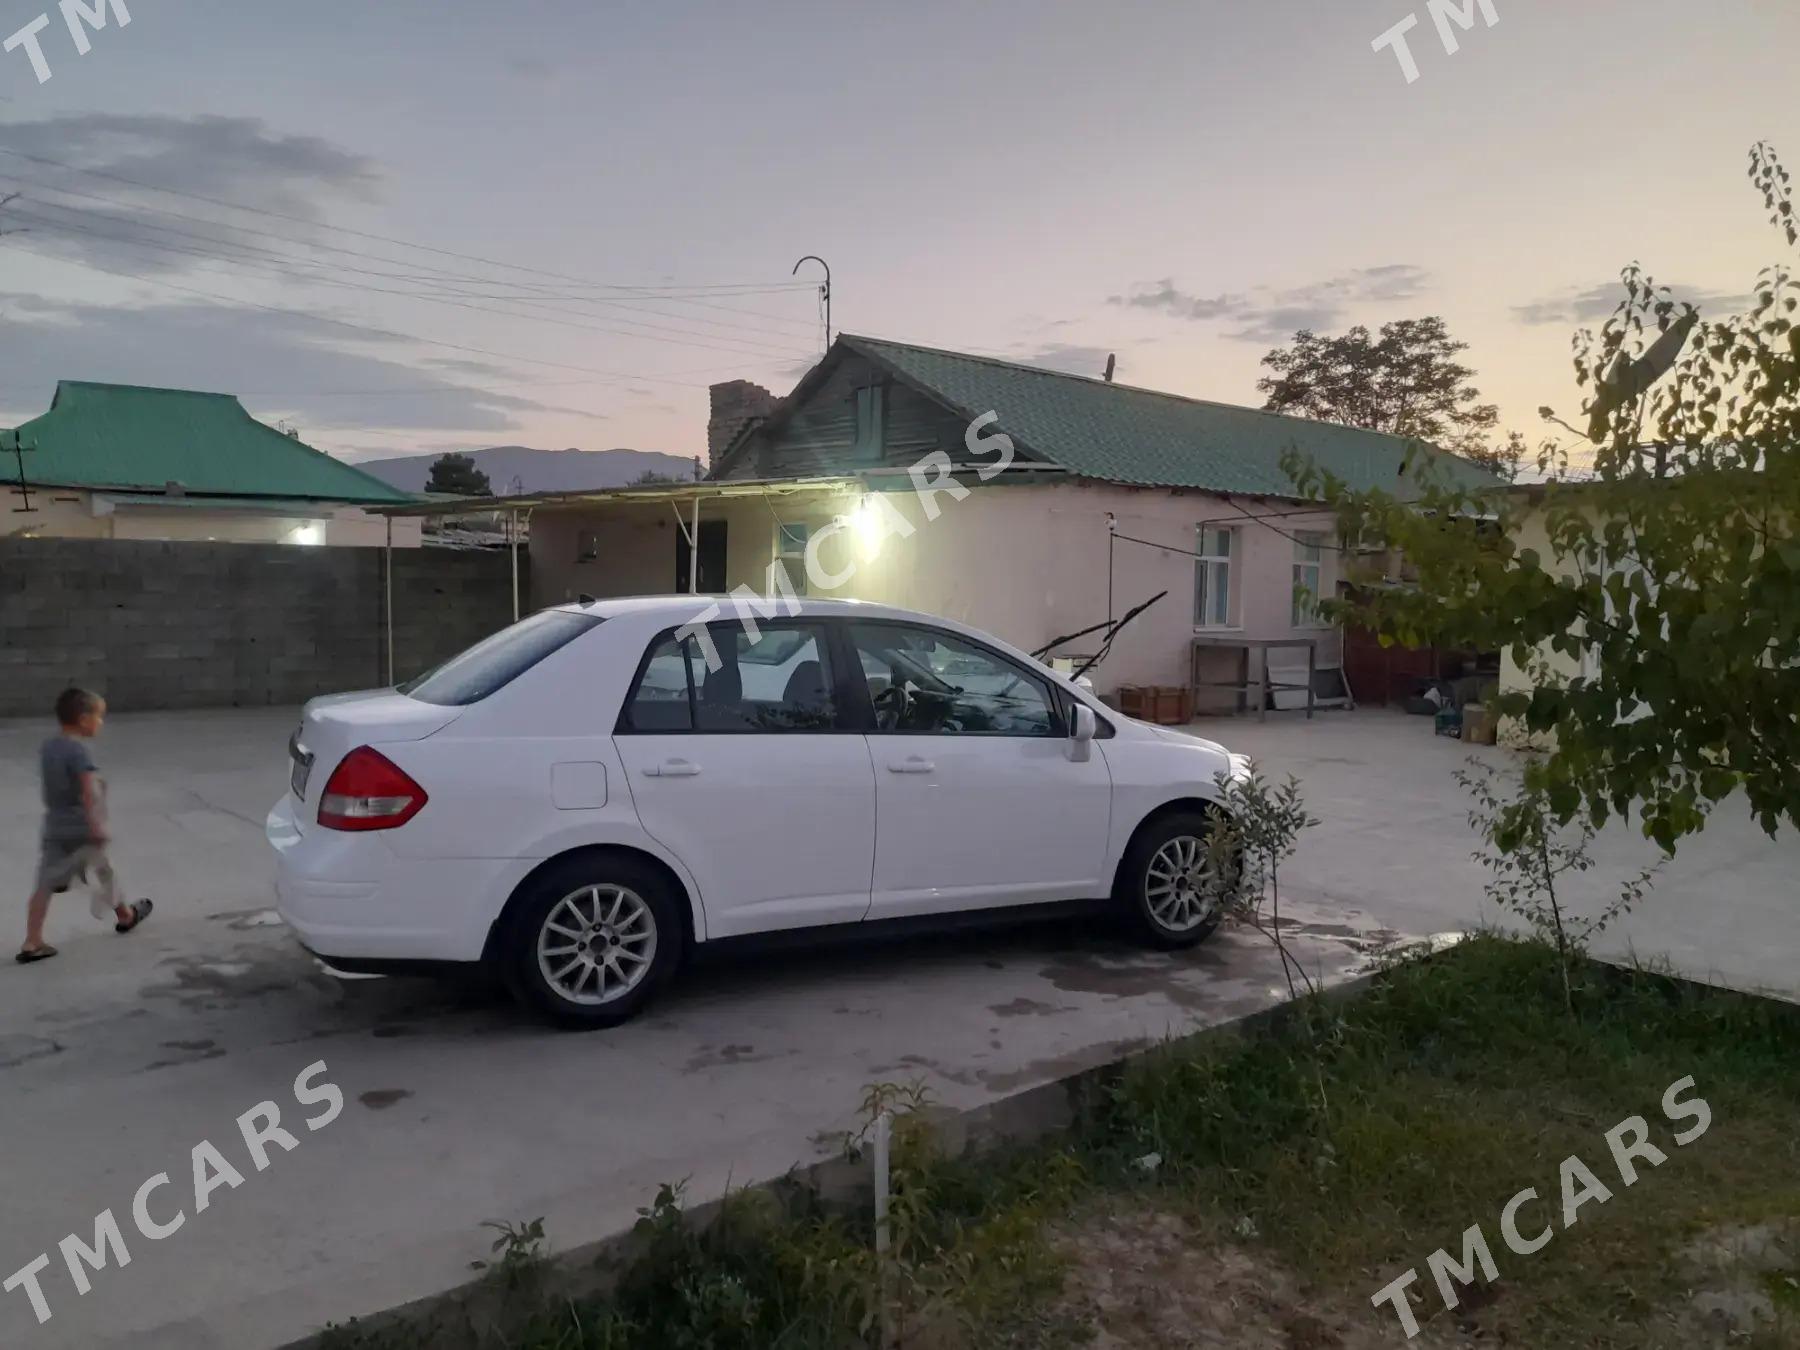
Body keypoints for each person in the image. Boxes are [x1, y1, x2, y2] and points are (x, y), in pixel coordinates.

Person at [15, 688, 153, 965]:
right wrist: (96, 825)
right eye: (99, 717)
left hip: (55, 825)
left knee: (43, 884)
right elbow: (88, 789)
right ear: (83, 719)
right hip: (82, 826)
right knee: (105, 870)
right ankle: (125, 915)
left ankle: (32, 941)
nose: (101, 723)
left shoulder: (49, 746)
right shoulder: (79, 750)